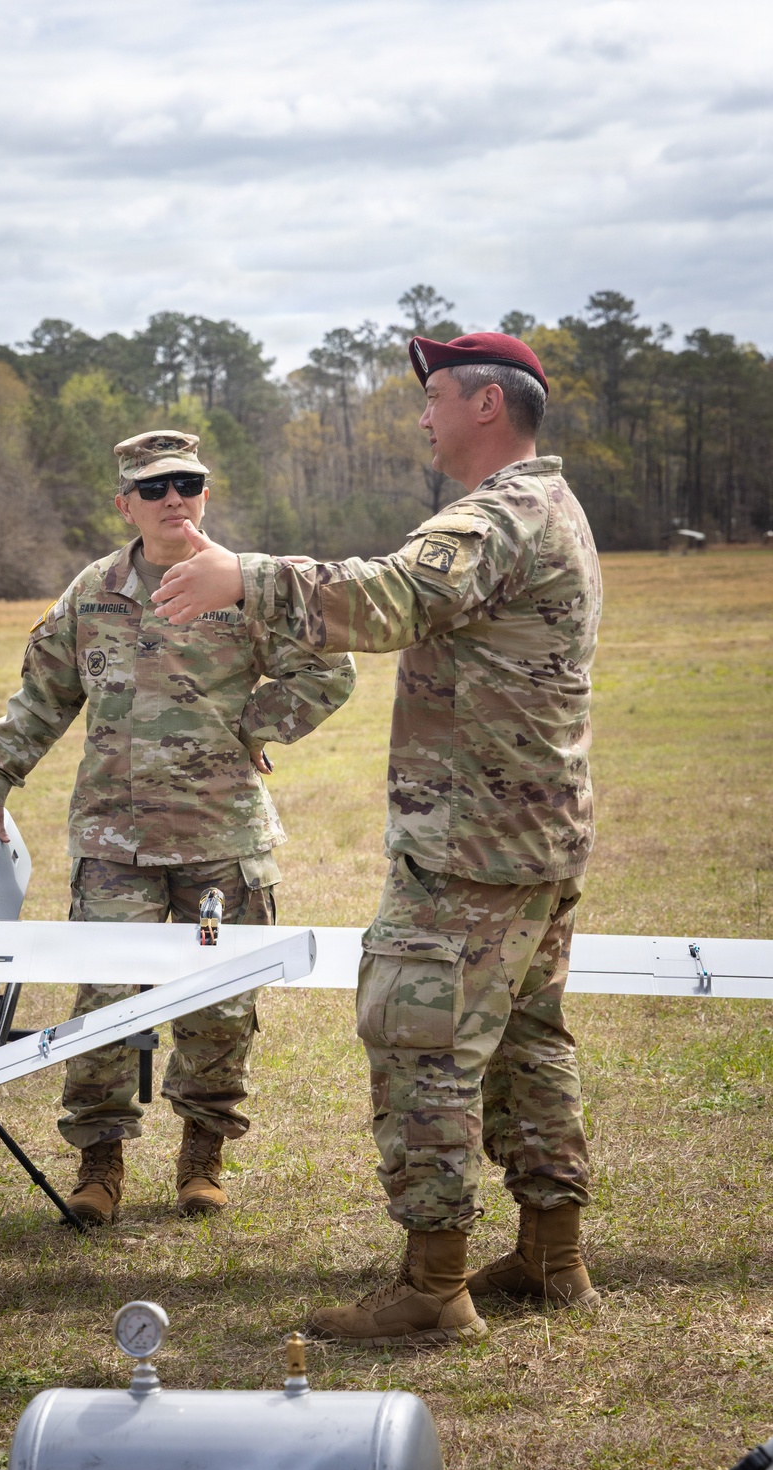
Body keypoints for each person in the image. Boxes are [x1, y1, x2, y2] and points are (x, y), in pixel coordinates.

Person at [152, 335, 603, 1345]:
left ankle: (432, 1289)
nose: (420, 414)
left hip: (472, 850)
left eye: (433, 396)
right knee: (528, 1042)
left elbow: (395, 597)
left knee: (420, 1044)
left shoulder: (497, 513)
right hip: (530, 837)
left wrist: (246, 577)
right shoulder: (548, 505)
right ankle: (551, 1252)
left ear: (488, 404)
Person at [0, 429, 355, 1225]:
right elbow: (43, 694)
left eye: (187, 484)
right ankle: (99, 1164)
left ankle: (203, 1156)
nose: (174, 500)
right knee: (104, 1002)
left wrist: (256, 723)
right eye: (154, 488)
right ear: (124, 502)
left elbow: (333, 666)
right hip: (114, 844)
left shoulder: (243, 584)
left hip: (222, 843)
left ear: (206, 493)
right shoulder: (93, 592)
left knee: (220, 1003)